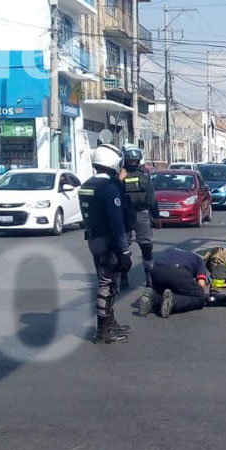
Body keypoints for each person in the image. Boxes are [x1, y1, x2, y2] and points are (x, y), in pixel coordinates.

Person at [78, 144, 132, 344]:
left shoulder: (87, 185)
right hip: (109, 242)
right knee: (107, 283)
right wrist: (124, 250)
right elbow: (117, 223)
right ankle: (103, 330)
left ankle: (111, 322)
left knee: (109, 281)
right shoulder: (109, 189)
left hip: (94, 238)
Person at [138, 248, 226, 318]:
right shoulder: (199, 260)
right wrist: (201, 292)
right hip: (177, 270)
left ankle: (154, 298)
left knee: (164, 292)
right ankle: (174, 302)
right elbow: (201, 284)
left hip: (156, 270)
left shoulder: (174, 252)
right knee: (199, 298)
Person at [120, 147, 158, 290]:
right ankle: (123, 275)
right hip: (125, 214)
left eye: (135, 160)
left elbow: (152, 197)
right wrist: (119, 179)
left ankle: (149, 275)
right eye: (130, 160)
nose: (133, 162)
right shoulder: (120, 175)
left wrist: (156, 216)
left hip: (142, 213)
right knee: (123, 248)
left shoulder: (144, 176)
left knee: (146, 246)